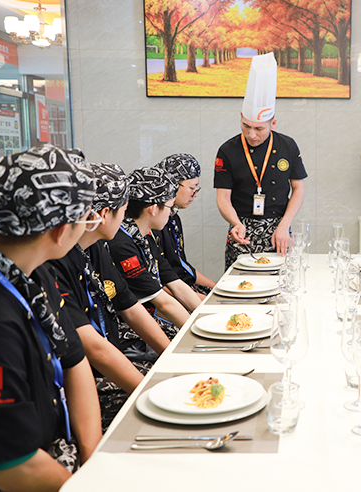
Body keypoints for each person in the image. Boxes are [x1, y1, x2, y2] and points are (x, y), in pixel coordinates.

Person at [0, 144, 101, 491]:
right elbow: (17, 468)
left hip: (58, 450)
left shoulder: (33, 270)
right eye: (85, 219)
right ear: (60, 231)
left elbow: (74, 361)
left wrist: (94, 462)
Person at [50, 162, 172, 431]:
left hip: (107, 359)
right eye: (124, 211)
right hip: (83, 381)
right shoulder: (55, 261)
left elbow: (129, 305)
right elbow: (93, 348)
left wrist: (171, 355)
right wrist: (150, 394)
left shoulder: (94, 246)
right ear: (104, 214)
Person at [214, 52, 307, 269]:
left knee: (281, 283)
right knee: (240, 284)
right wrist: (235, 223)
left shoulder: (288, 145)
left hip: (279, 230)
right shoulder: (227, 150)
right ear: (241, 117)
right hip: (241, 230)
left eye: (259, 128)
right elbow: (223, 197)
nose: (252, 134)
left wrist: (284, 225)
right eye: (246, 126)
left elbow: (298, 189)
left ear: (273, 123)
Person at [107, 166, 200, 330]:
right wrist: (201, 330)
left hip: (150, 316)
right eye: (170, 207)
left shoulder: (144, 237)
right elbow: (163, 303)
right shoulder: (122, 244)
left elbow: (176, 284)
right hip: (127, 328)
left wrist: (204, 317)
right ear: (154, 208)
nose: (171, 213)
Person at [155, 153, 215, 297]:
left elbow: (181, 265)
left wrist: (217, 287)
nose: (195, 194)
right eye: (192, 188)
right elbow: (157, 284)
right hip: (169, 295)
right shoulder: (153, 224)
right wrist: (200, 300)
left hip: (182, 288)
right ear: (173, 185)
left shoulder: (174, 218)